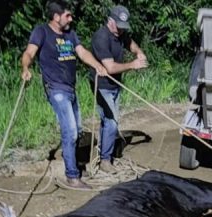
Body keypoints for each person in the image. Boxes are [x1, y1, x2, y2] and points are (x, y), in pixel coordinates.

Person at [20, 1, 108, 189]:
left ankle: (73, 164)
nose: (71, 18)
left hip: (70, 89)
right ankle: (72, 176)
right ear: (56, 17)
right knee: (70, 131)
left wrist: (97, 65)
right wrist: (26, 68)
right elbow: (29, 52)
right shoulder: (41, 31)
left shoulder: (70, 34)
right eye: (67, 15)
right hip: (55, 88)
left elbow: (82, 53)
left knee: (77, 129)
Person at [89, 5, 148, 173]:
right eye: (119, 26)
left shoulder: (120, 34)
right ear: (111, 21)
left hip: (115, 85)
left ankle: (104, 151)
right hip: (101, 84)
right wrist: (133, 65)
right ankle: (105, 161)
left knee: (108, 121)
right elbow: (110, 68)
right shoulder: (101, 37)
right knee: (111, 122)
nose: (122, 30)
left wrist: (139, 53)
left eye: (124, 27)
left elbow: (131, 43)